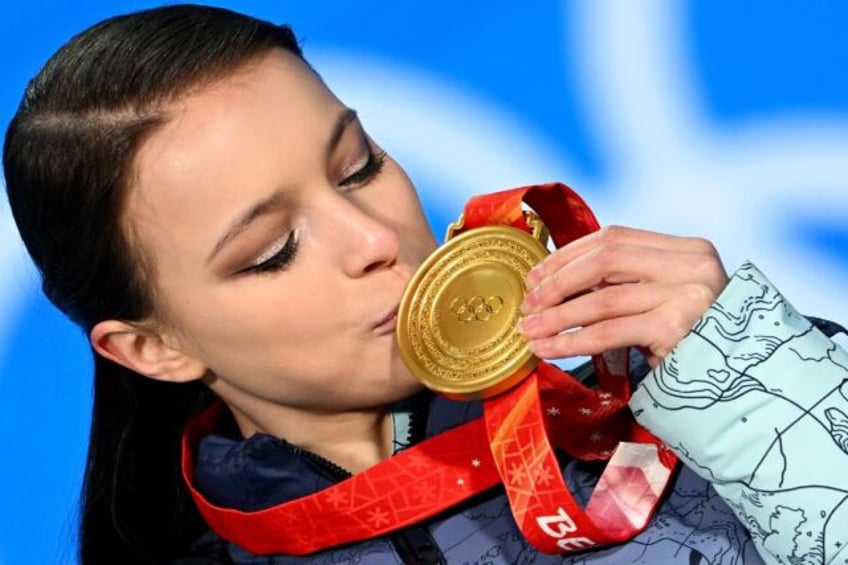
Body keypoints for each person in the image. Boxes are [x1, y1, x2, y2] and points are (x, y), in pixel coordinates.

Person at [4, 4, 846, 564]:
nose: (375, 239)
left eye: (358, 166)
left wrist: (767, 397)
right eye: (271, 250)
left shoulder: (700, 383)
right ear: (151, 347)